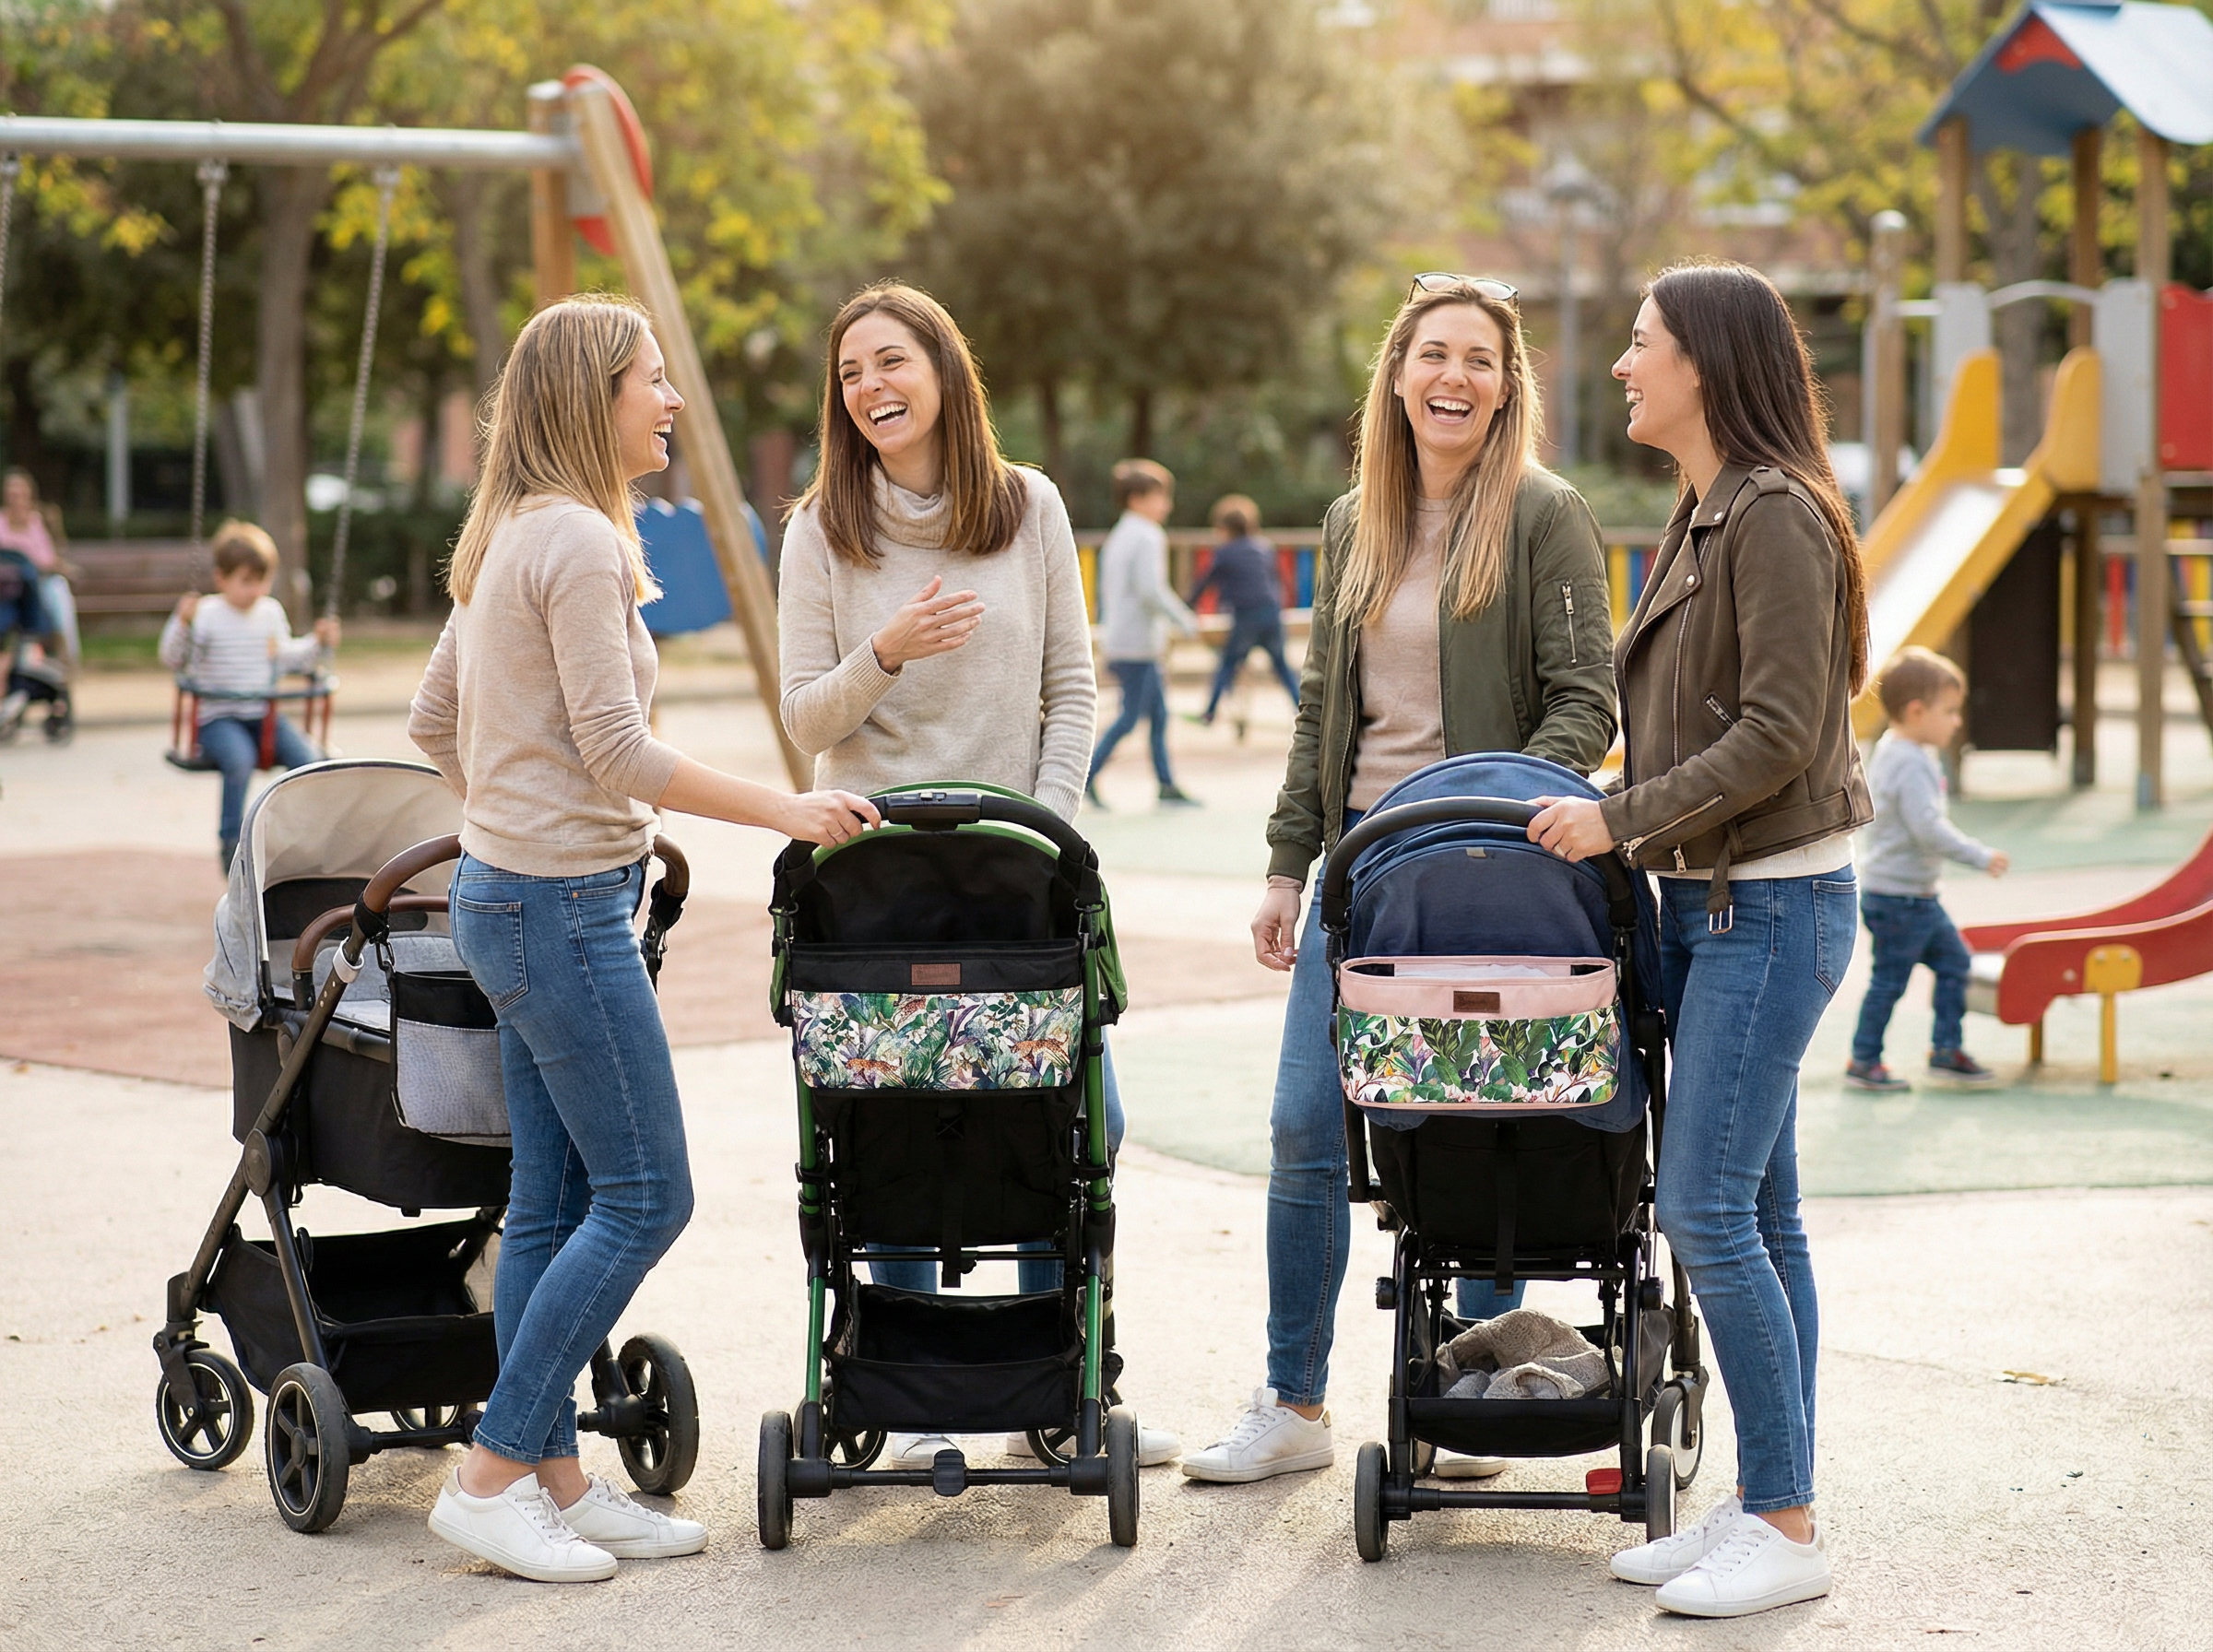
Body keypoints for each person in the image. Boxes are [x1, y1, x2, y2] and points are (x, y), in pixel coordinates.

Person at [408, 294, 879, 1584]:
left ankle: (559, 1476)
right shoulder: (574, 543)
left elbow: (434, 715)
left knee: (553, 1201)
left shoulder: (512, 530)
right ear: (589, 399)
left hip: (512, 896)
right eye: (650, 381)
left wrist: (510, 812)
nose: (668, 401)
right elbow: (615, 750)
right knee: (647, 1192)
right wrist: (784, 806)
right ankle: (496, 1474)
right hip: (558, 906)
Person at [1180, 274, 1616, 1487]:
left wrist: (1494, 815)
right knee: (1305, 1127)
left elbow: (1590, 699)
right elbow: (1327, 707)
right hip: (1361, 877)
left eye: (1480, 359)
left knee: (1482, 1128)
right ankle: (1294, 1404)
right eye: (1435, 354)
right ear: (1398, 373)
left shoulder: (1547, 515)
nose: (1455, 378)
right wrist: (1286, 864)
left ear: (1506, 384)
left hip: (1486, 878)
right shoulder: (1351, 521)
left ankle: (1467, 1385)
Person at [777, 281, 1179, 1470]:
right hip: (876, 875)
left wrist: (1042, 833)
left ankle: (1065, 1377)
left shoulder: (1029, 508)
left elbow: (1071, 688)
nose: (871, 389)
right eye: (851, 374)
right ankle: (896, 1381)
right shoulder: (820, 531)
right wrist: (884, 652)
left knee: (1077, 1119)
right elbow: (805, 711)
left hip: (1015, 865)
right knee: (882, 1117)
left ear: (946, 372)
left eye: (892, 361)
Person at [1528, 261, 1872, 1618]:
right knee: (1760, 1214)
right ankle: (1761, 1500)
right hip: (1717, 902)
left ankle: (1783, 1524)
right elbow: (1693, 718)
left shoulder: (1774, 515)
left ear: (1707, 364)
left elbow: (1783, 730)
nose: (1621, 365)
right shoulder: (1703, 512)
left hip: (1770, 906)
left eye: (1640, 343)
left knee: (1706, 1211)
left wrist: (1619, 819)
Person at [1846, 646, 2008, 1092]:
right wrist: (1978, 855)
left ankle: (1944, 1049)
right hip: (1899, 900)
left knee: (1956, 964)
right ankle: (1864, 1059)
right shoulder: (1908, 760)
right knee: (1890, 981)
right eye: (1950, 712)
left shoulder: (1903, 748)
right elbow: (1928, 829)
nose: (1957, 722)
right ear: (1917, 712)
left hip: (1914, 896)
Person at [158, 521, 338, 870]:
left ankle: (303, 837)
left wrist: (318, 643)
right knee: (239, 760)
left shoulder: (269, 612)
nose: (256, 590)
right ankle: (230, 842)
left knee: (310, 760)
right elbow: (173, 658)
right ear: (221, 578)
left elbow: (288, 657)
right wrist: (181, 623)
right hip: (218, 719)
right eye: (247, 581)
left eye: (263, 581)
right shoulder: (207, 615)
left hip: (263, 715)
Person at [1085, 459, 1201, 808]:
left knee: (1156, 716)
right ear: (1137, 499)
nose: (1166, 505)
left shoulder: (1120, 534)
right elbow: (1152, 591)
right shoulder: (1148, 535)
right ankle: (1087, 775)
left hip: (1122, 637)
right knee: (1130, 717)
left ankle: (1166, 784)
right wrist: (1183, 619)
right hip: (1138, 643)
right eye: (1159, 497)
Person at [1188, 494, 1300, 723]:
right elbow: (1279, 578)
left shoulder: (1226, 553)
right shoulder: (1264, 547)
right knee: (1281, 666)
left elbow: (1205, 583)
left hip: (1246, 615)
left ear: (1225, 528)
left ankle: (1209, 713)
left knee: (1228, 664)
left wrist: (1187, 606)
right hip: (1271, 611)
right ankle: (1303, 710)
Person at [0, 467, 79, 671]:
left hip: (37, 584)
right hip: (6, 590)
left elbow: (48, 559)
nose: (16, 499)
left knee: (58, 593)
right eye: (12, 494)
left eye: (21, 494)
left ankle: (66, 656)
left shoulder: (37, 522)